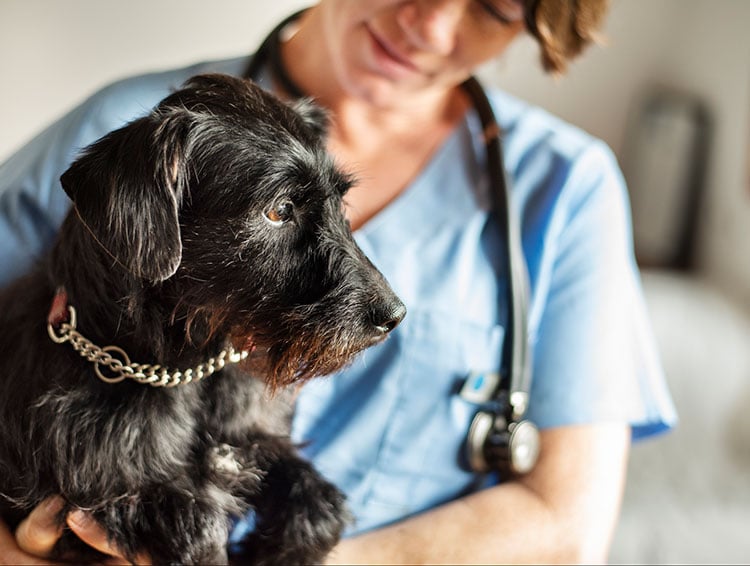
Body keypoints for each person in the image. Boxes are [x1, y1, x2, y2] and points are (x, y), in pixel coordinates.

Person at [0, 0, 676, 563]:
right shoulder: (123, 131)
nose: (432, 23)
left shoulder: (565, 188)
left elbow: (566, 526)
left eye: (494, 7)